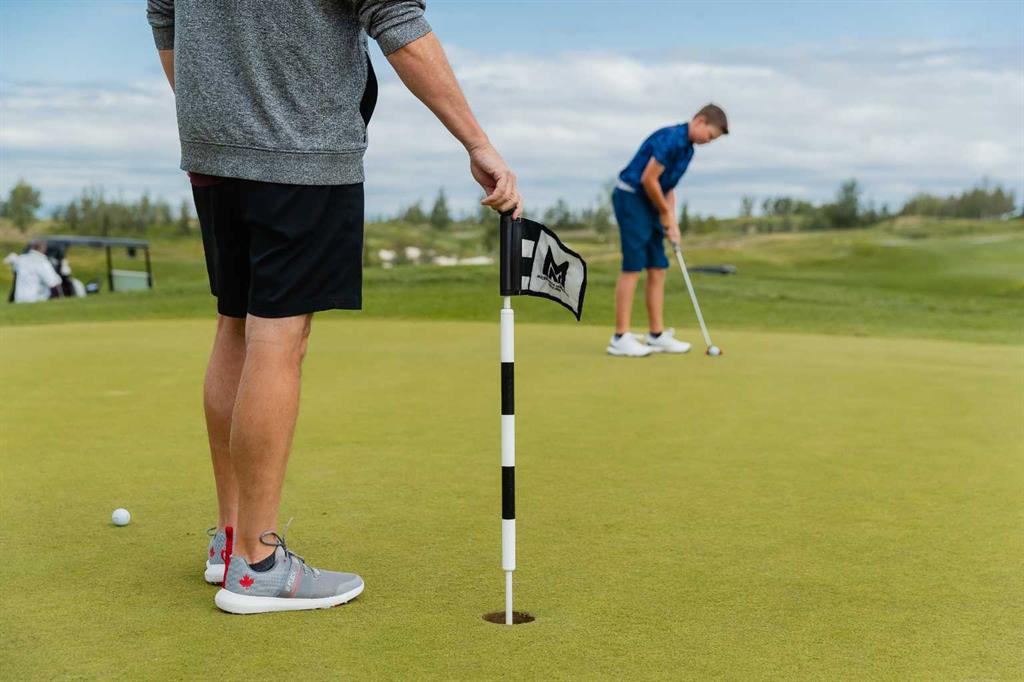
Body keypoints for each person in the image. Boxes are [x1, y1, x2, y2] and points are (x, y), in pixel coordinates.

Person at [145, 0, 521, 614]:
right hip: (300, 149)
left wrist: (215, 113)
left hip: (213, 153)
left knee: (235, 322)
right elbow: (398, 21)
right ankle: (257, 566)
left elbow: (164, 14)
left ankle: (232, 540)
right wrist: (478, 143)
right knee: (278, 336)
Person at [606, 104, 728, 357]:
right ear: (699, 121)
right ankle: (620, 337)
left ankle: (656, 334)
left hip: (651, 202)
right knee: (633, 265)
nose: (709, 141)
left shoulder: (688, 150)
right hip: (631, 197)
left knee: (658, 266)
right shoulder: (672, 139)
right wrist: (664, 212)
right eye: (710, 135)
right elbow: (648, 179)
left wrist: (672, 221)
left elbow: (668, 186)